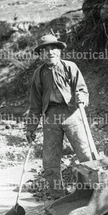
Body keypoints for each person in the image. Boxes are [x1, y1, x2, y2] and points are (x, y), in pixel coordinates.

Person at [25, 34, 91, 199]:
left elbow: (82, 89)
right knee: (50, 160)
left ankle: (93, 191)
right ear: (40, 54)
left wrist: (82, 97)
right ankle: (58, 197)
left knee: (85, 153)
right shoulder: (38, 75)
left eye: (53, 48)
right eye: (45, 50)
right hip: (50, 118)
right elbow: (35, 105)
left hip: (72, 114)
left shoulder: (70, 67)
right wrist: (31, 128)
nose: (50, 52)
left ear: (59, 50)